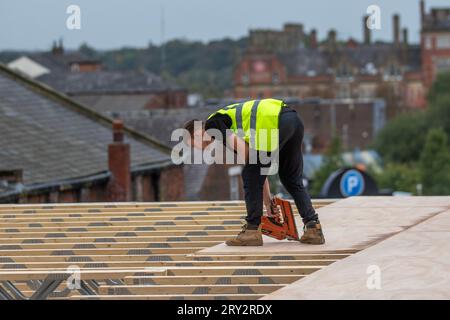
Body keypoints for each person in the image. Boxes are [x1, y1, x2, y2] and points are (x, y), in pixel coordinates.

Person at [182, 98, 325, 246]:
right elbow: (258, 167)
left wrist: (267, 202)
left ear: (196, 133)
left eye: (193, 144)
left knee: (249, 175)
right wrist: (268, 202)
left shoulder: (213, 124)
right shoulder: (225, 126)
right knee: (290, 179)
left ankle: (252, 230)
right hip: (292, 120)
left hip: (273, 124)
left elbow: (253, 166)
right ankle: (313, 227)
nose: (198, 148)